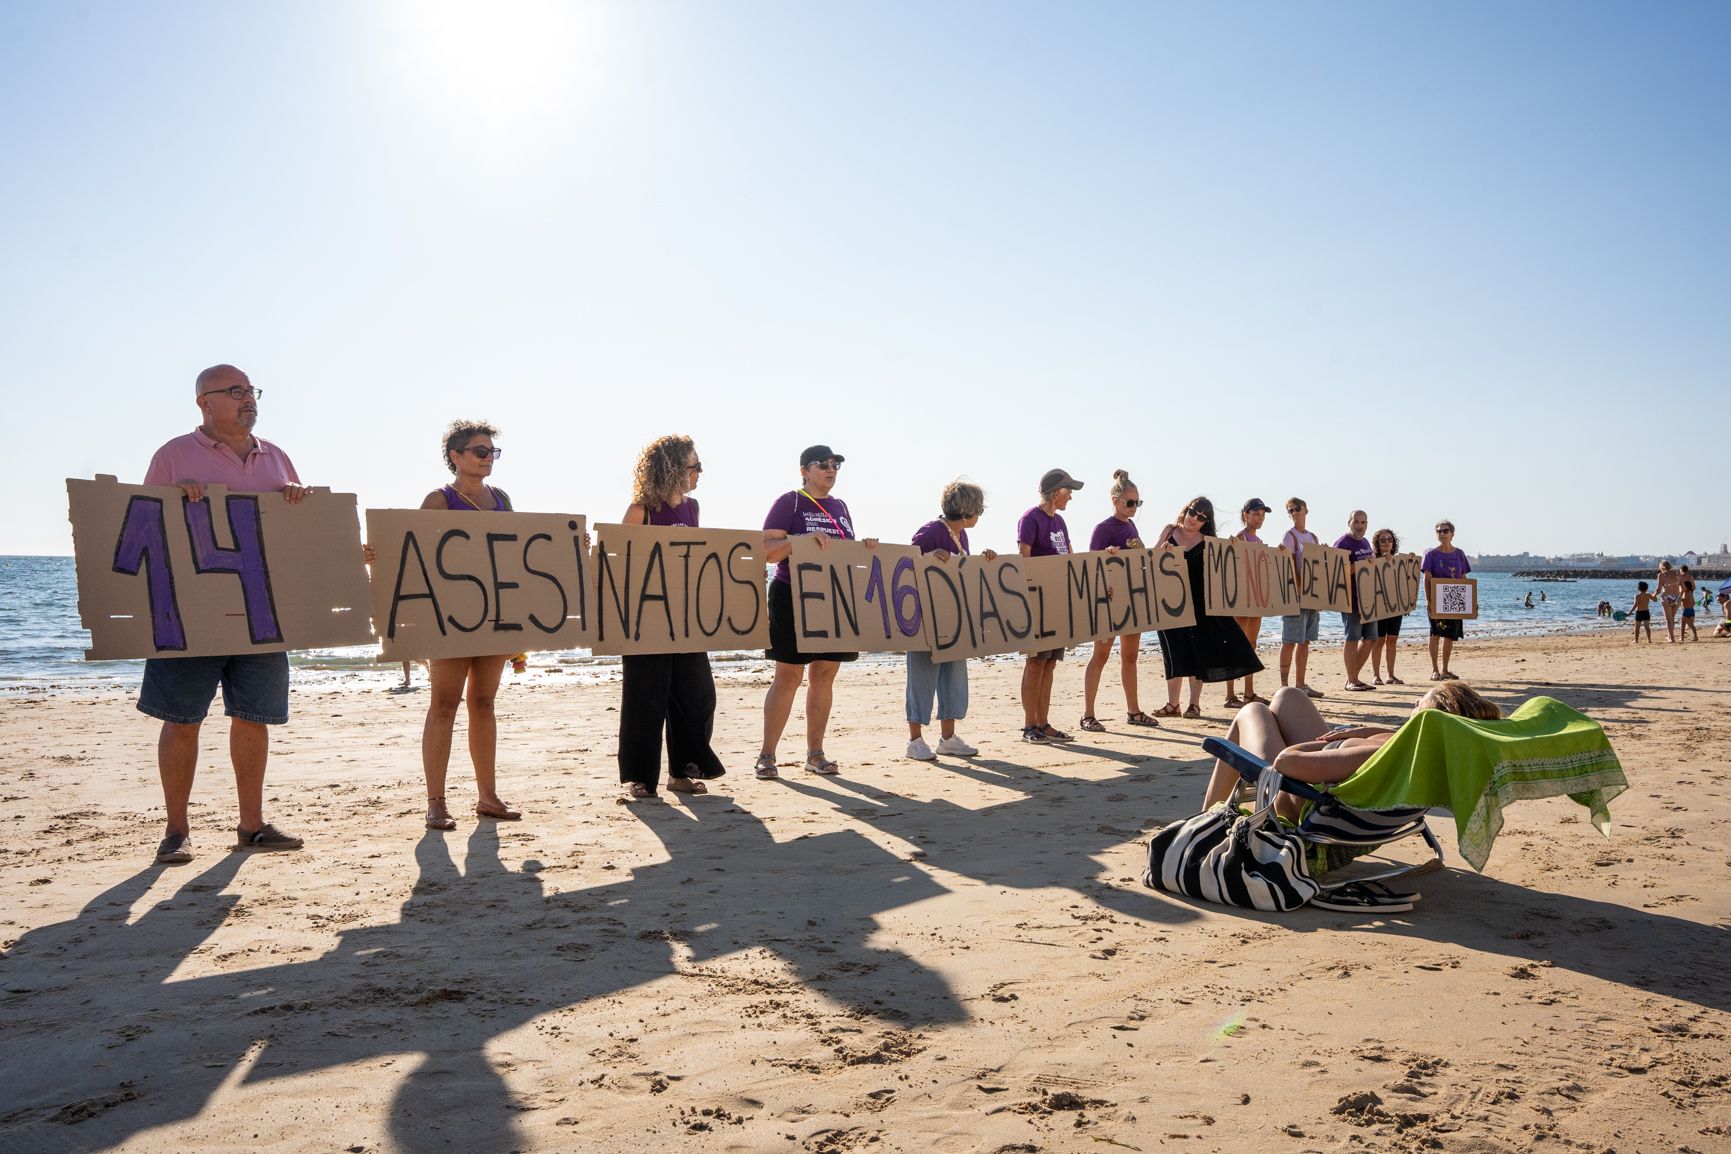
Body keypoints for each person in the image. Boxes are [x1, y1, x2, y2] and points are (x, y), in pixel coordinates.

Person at [139, 364, 311, 864]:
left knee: (254, 719)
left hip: (262, 616)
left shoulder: (277, 456)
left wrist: (299, 499)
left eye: (251, 390)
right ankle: (176, 831)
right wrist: (175, 498)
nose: (248, 399)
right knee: (181, 720)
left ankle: (251, 826)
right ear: (205, 402)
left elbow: (296, 536)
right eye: (236, 391)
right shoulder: (172, 455)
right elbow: (143, 527)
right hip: (190, 616)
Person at [417, 420, 522, 829]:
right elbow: (412, 552)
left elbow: (518, 552)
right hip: (449, 617)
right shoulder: (439, 500)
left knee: (483, 704)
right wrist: (377, 554)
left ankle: (487, 797)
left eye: (492, 451)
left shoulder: (502, 499)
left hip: (494, 614)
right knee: (444, 704)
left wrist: (567, 548)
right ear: (456, 456)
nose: (488, 458)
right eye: (480, 451)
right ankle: (436, 802)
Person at [1200, 681, 1502, 821]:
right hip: (1323, 777)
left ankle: (1205, 819)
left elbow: (1285, 762)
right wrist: (1361, 732)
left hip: (1294, 801)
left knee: (1253, 711)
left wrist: (1320, 746)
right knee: (1288, 696)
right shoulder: (1423, 749)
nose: (1414, 704)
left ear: (1429, 718)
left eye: (1419, 703)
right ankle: (1207, 815)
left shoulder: (1381, 753)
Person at [617, 435, 727, 799]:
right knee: (645, 700)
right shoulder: (641, 511)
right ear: (673, 468)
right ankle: (641, 778)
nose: (699, 473)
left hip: (685, 620)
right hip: (644, 621)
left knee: (697, 697)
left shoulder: (693, 508)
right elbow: (617, 563)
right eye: (695, 466)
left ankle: (683, 772)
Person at [758, 445, 869, 778]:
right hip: (792, 594)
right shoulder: (790, 501)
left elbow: (844, 552)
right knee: (789, 677)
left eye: (835, 464)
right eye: (823, 464)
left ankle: (815, 754)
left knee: (824, 676)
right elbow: (767, 551)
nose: (831, 469)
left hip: (834, 597)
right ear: (805, 471)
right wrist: (801, 540)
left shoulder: (840, 506)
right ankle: (767, 756)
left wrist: (865, 550)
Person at [1151, 497, 1263, 719]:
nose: (1194, 519)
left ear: (1206, 522)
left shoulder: (1209, 541)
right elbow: (1149, 560)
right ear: (1186, 510)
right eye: (1193, 512)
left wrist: (1234, 547)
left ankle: (1194, 704)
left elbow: (1227, 567)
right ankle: (1173, 704)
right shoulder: (1169, 531)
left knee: (1197, 653)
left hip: (1200, 606)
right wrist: (1162, 552)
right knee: (1173, 651)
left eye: (1202, 517)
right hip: (1170, 603)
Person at [905, 481, 994, 758]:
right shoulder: (931, 531)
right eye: (979, 510)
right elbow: (906, 564)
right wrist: (928, 556)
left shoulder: (960, 535)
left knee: (953, 678)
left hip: (953, 621)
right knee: (921, 678)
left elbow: (961, 572)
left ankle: (948, 738)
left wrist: (984, 561)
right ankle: (915, 741)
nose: (980, 515)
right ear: (966, 512)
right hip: (924, 619)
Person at [1080, 471, 1160, 731]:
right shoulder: (1103, 528)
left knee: (1130, 657)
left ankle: (1134, 711)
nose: (1135, 507)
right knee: (1100, 655)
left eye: (1138, 502)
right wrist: (1107, 554)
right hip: (1108, 601)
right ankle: (1088, 714)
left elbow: (1140, 560)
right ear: (1115, 501)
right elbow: (1092, 565)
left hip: (1132, 601)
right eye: (1130, 502)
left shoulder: (1131, 526)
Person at [1018, 469, 1082, 742]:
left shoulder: (1060, 522)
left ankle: (1043, 723)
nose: (1071, 497)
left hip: (1058, 604)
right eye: (1069, 492)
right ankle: (1029, 725)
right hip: (1038, 604)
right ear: (1057, 493)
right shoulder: (1030, 519)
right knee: (1035, 662)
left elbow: (1069, 557)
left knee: (1050, 663)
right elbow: (1024, 559)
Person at [1222, 498, 1272, 708]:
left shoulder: (1259, 542)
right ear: (1246, 515)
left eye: (1262, 515)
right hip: (1241, 600)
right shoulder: (1239, 538)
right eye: (1256, 514)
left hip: (1255, 599)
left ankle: (1249, 692)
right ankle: (1230, 695)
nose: (1260, 518)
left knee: (1251, 645)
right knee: (1236, 644)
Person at [1276, 498, 1323, 699]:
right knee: (1289, 641)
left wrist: (1319, 597)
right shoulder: (1289, 537)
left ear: (1306, 510)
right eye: (1291, 510)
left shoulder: (1313, 537)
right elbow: (1287, 565)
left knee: (1305, 641)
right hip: (1295, 597)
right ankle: (1284, 686)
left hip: (1311, 596)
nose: (1294, 512)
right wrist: (1299, 590)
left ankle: (1301, 684)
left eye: (1297, 509)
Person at [1334, 510, 1379, 692]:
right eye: (1356, 522)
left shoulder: (1366, 542)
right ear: (1349, 522)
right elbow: (1336, 572)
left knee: (1371, 639)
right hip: (1350, 599)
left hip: (1368, 599)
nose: (1360, 526)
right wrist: (1360, 565)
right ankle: (1352, 680)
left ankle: (1352, 678)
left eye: (1363, 522)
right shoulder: (1342, 543)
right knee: (1352, 638)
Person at [1421, 520, 1472, 680]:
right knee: (1435, 633)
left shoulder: (1459, 554)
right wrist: (1428, 600)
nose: (1442, 534)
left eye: (1445, 531)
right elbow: (1426, 578)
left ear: (1452, 534)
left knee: (1450, 635)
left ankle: (1445, 669)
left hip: (1455, 597)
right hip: (1436, 598)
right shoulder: (1430, 554)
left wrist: (1469, 601)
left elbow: (1463, 577)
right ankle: (1435, 670)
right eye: (1439, 531)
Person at [1368, 528, 1406, 686]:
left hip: (1395, 606)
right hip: (1378, 606)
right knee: (1378, 641)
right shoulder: (1371, 560)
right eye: (1382, 540)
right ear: (1377, 543)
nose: (1386, 543)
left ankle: (1391, 675)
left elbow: (1405, 582)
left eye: (1389, 540)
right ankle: (1376, 675)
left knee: (1392, 640)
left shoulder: (1398, 561)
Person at [1654, 560, 1683, 643]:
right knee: (1672, 618)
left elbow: (1658, 589)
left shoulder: (1661, 575)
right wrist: (1680, 596)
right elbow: (1683, 588)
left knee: (1668, 619)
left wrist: (1653, 595)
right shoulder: (1678, 573)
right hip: (1677, 597)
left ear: (1662, 567)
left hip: (1667, 597)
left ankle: (1672, 638)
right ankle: (1669, 636)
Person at [1678, 566, 1699, 642]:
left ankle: (1682, 638)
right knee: (1691, 625)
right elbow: (1693, 602)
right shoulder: (1690, 577)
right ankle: (1695, 636)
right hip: (1692, 610)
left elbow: (1683, 600)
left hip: (1686, 610)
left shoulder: (1679, 577)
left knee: (1682, 624)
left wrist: (1680, 599)